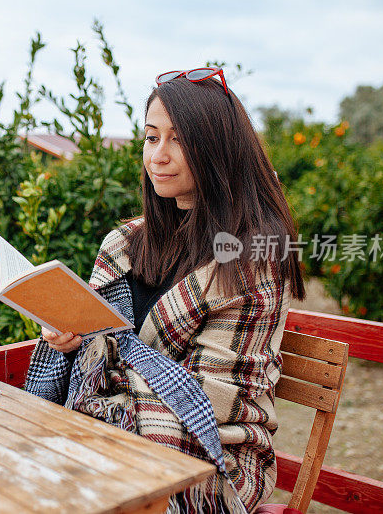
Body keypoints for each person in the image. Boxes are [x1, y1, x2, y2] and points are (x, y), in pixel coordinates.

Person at [24, 68, 305, 514]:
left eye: (179, 140)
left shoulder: (252, 262)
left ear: (218, 149)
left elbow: (210, 397)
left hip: (212, 457)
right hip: (109, 431)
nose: (159, 155)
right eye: (151, 138)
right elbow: (96, 344)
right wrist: (73, 338)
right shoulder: (124, 243)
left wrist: (105, 359)